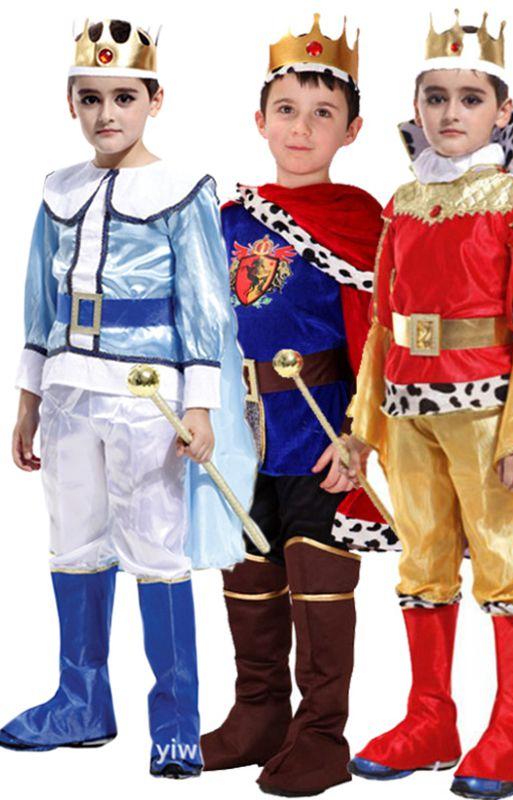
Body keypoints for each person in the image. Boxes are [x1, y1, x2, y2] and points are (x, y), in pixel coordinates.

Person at [343, 11, 513, 800]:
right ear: (416, 108)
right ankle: (430, 720)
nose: (451, 112)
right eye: (436, 97)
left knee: (505, 565)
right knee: (421, 561)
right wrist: (365, 428)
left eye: (470, 98)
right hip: (408, 409)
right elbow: (382, 320)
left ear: (502, 111)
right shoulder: (402, 202)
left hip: (489, 414)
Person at [4, 18, 257, 779]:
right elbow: (38, 302)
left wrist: (201, 406)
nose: (106, 113)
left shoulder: (183, 191)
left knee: (156, 551)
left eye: (123, 96)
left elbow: (207, 304)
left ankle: (175, 724)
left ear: (154, 100)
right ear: (71, 104)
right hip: (68, 393)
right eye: (90, 97)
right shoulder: (58, 190)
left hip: (148, 399)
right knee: (75, 543)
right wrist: (28, 399)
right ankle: (80, 702)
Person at [199, 14, 390, 797]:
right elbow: (204, 329)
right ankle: (258, 714)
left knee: (318, 576)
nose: (301, 128)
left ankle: (321, 735)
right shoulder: (227, 220)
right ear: (260, 120)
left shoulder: (364, 221)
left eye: (321, 113)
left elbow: (379, 339)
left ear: (352, 129)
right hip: (241, 433)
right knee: (249, 572)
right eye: (287, 110)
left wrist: (361, 436)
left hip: (320, 428)